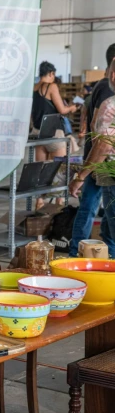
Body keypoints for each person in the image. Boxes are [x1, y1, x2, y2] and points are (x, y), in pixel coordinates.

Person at [69, 44, 115, 257]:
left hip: (104, 163)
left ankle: (77, 252)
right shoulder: (105, 91)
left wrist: (81, 174)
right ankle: (78, 251)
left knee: (94, 211)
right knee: (101, 216)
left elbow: (102, 139)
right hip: (103, 163)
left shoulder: (102, 90)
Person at [30, 61, 78, 209]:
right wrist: (72, 107)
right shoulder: (51, 86)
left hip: (38, 133)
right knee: (60, 170)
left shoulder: (33, 88)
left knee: (41, 170)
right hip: (53, 133)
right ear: (51, 73)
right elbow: (62, 110)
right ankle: (59, 206)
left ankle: (39, 201)